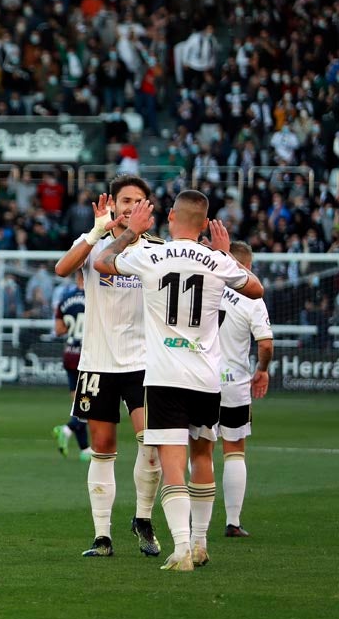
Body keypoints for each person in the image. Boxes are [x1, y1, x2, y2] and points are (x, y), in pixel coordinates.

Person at [95, 191, 263, 571]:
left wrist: (130, 232)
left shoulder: (150, 255)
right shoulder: (216, 261)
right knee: (203, 457)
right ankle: (201, 543)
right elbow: (256, 289)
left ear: (170, 217)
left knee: (173, 465)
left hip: (165, 376)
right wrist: (221, 254)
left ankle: (182, 548)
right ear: (205, 224)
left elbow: (103, 263)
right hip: (206, 377)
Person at [53, 177, 164, 559]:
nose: (132, 206)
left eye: (139, 200)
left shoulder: (157, 250)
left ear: (148, 208)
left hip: (144, 363)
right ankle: (102, 537)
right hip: (97, 363)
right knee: (102, 448)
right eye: (126, 200)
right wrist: (97, 229)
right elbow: (61, 268)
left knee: (152, 441)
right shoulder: (94, 242)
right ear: (113, 205)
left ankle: (143, 518)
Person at [215, 241, 273, 538]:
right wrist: (261, 370)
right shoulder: (252, 297)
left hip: (199, 380)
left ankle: (191, 521)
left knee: (197, 448)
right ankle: (233, 522)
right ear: (246, 266)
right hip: (233, 382)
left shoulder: (204, 284)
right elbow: (265, 343)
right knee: (234, 451)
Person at [53, 269, 91, 461]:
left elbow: (58, 330)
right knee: (88, 405)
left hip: (70, 355)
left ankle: (85, 450)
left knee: (78, 404)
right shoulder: (95, 297)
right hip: (89, 357)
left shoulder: (65, 299)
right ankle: (67, 429)